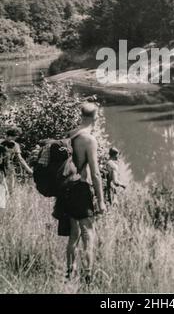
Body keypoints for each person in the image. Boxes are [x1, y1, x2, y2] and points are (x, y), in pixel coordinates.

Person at [57, 102, 107, 284]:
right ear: (96, 117)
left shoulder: (71, 135)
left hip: (67, 190)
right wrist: (101, 201)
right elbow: (95, 173)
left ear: (81, 115)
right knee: (89, 234)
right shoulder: (89, 140)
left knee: (73, 234)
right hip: (81, 190)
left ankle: (70, 273)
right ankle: (88, 277)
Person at [0, 126, 33, 193]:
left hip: (7, 169)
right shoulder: (15, 145)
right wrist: (29, 170)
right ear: (14, 135)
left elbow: (20, 159)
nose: (16, 138)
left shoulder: (14, 144)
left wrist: (29, 170)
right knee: (9, 190)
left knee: (6, 189)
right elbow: (20, 159)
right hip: (7, 168)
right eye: (16, 136)